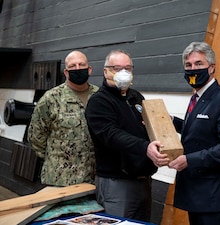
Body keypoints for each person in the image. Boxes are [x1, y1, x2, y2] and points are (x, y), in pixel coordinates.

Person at [85, 49, 169, 222]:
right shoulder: (99, 102)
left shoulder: (136, 97)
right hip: (116, 184)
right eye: (116, 68)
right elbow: (111, 135)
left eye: (127, 68)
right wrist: (145, 147)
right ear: (105, 71)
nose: (123, 73)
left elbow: (151, 125)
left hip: (144, 182)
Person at [168, 42, 220, 225]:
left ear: (211, 68)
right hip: (196, 192)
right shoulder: (197, 97)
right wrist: (170, 122)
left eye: (198, 64)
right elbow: (200, 130)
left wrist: (190, 160)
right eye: (188, 65)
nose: (193, 69)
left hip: (213, 194)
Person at [28, 50, 99, 187]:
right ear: (66, 72)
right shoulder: (51, 99)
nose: (78, 69)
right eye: (72, 66)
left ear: (89, 69)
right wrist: (57, 160)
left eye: (81, 64)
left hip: (93, 179)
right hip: (59, 179)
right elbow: (36, 137)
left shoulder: (100, 96)